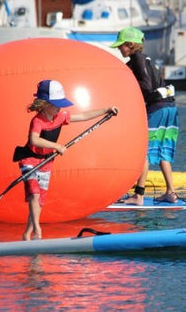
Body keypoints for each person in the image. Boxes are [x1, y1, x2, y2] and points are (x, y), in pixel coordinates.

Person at [18, 79, 118, 240]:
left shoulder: (60, 116)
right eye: (56, 104)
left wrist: (105, 110)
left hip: (46, 162)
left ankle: (27, 235)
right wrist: (56, 146)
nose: (59, 107)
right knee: (34, 195)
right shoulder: (37, 120)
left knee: (40, 201)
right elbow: (34, 140)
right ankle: (38, 230)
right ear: (45, 104)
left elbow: (83, 115)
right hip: (29, 159)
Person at [110, 27, 178, 205]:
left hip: (158, 108)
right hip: (170, 107)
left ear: (130, 45)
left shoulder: (137, 59)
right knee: (162, 151)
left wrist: (127, 79)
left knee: (144, 153)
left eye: (121, 46)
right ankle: (171, 192)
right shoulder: (144, 59)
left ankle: (139, 195)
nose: (119, 49)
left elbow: (146, 86)